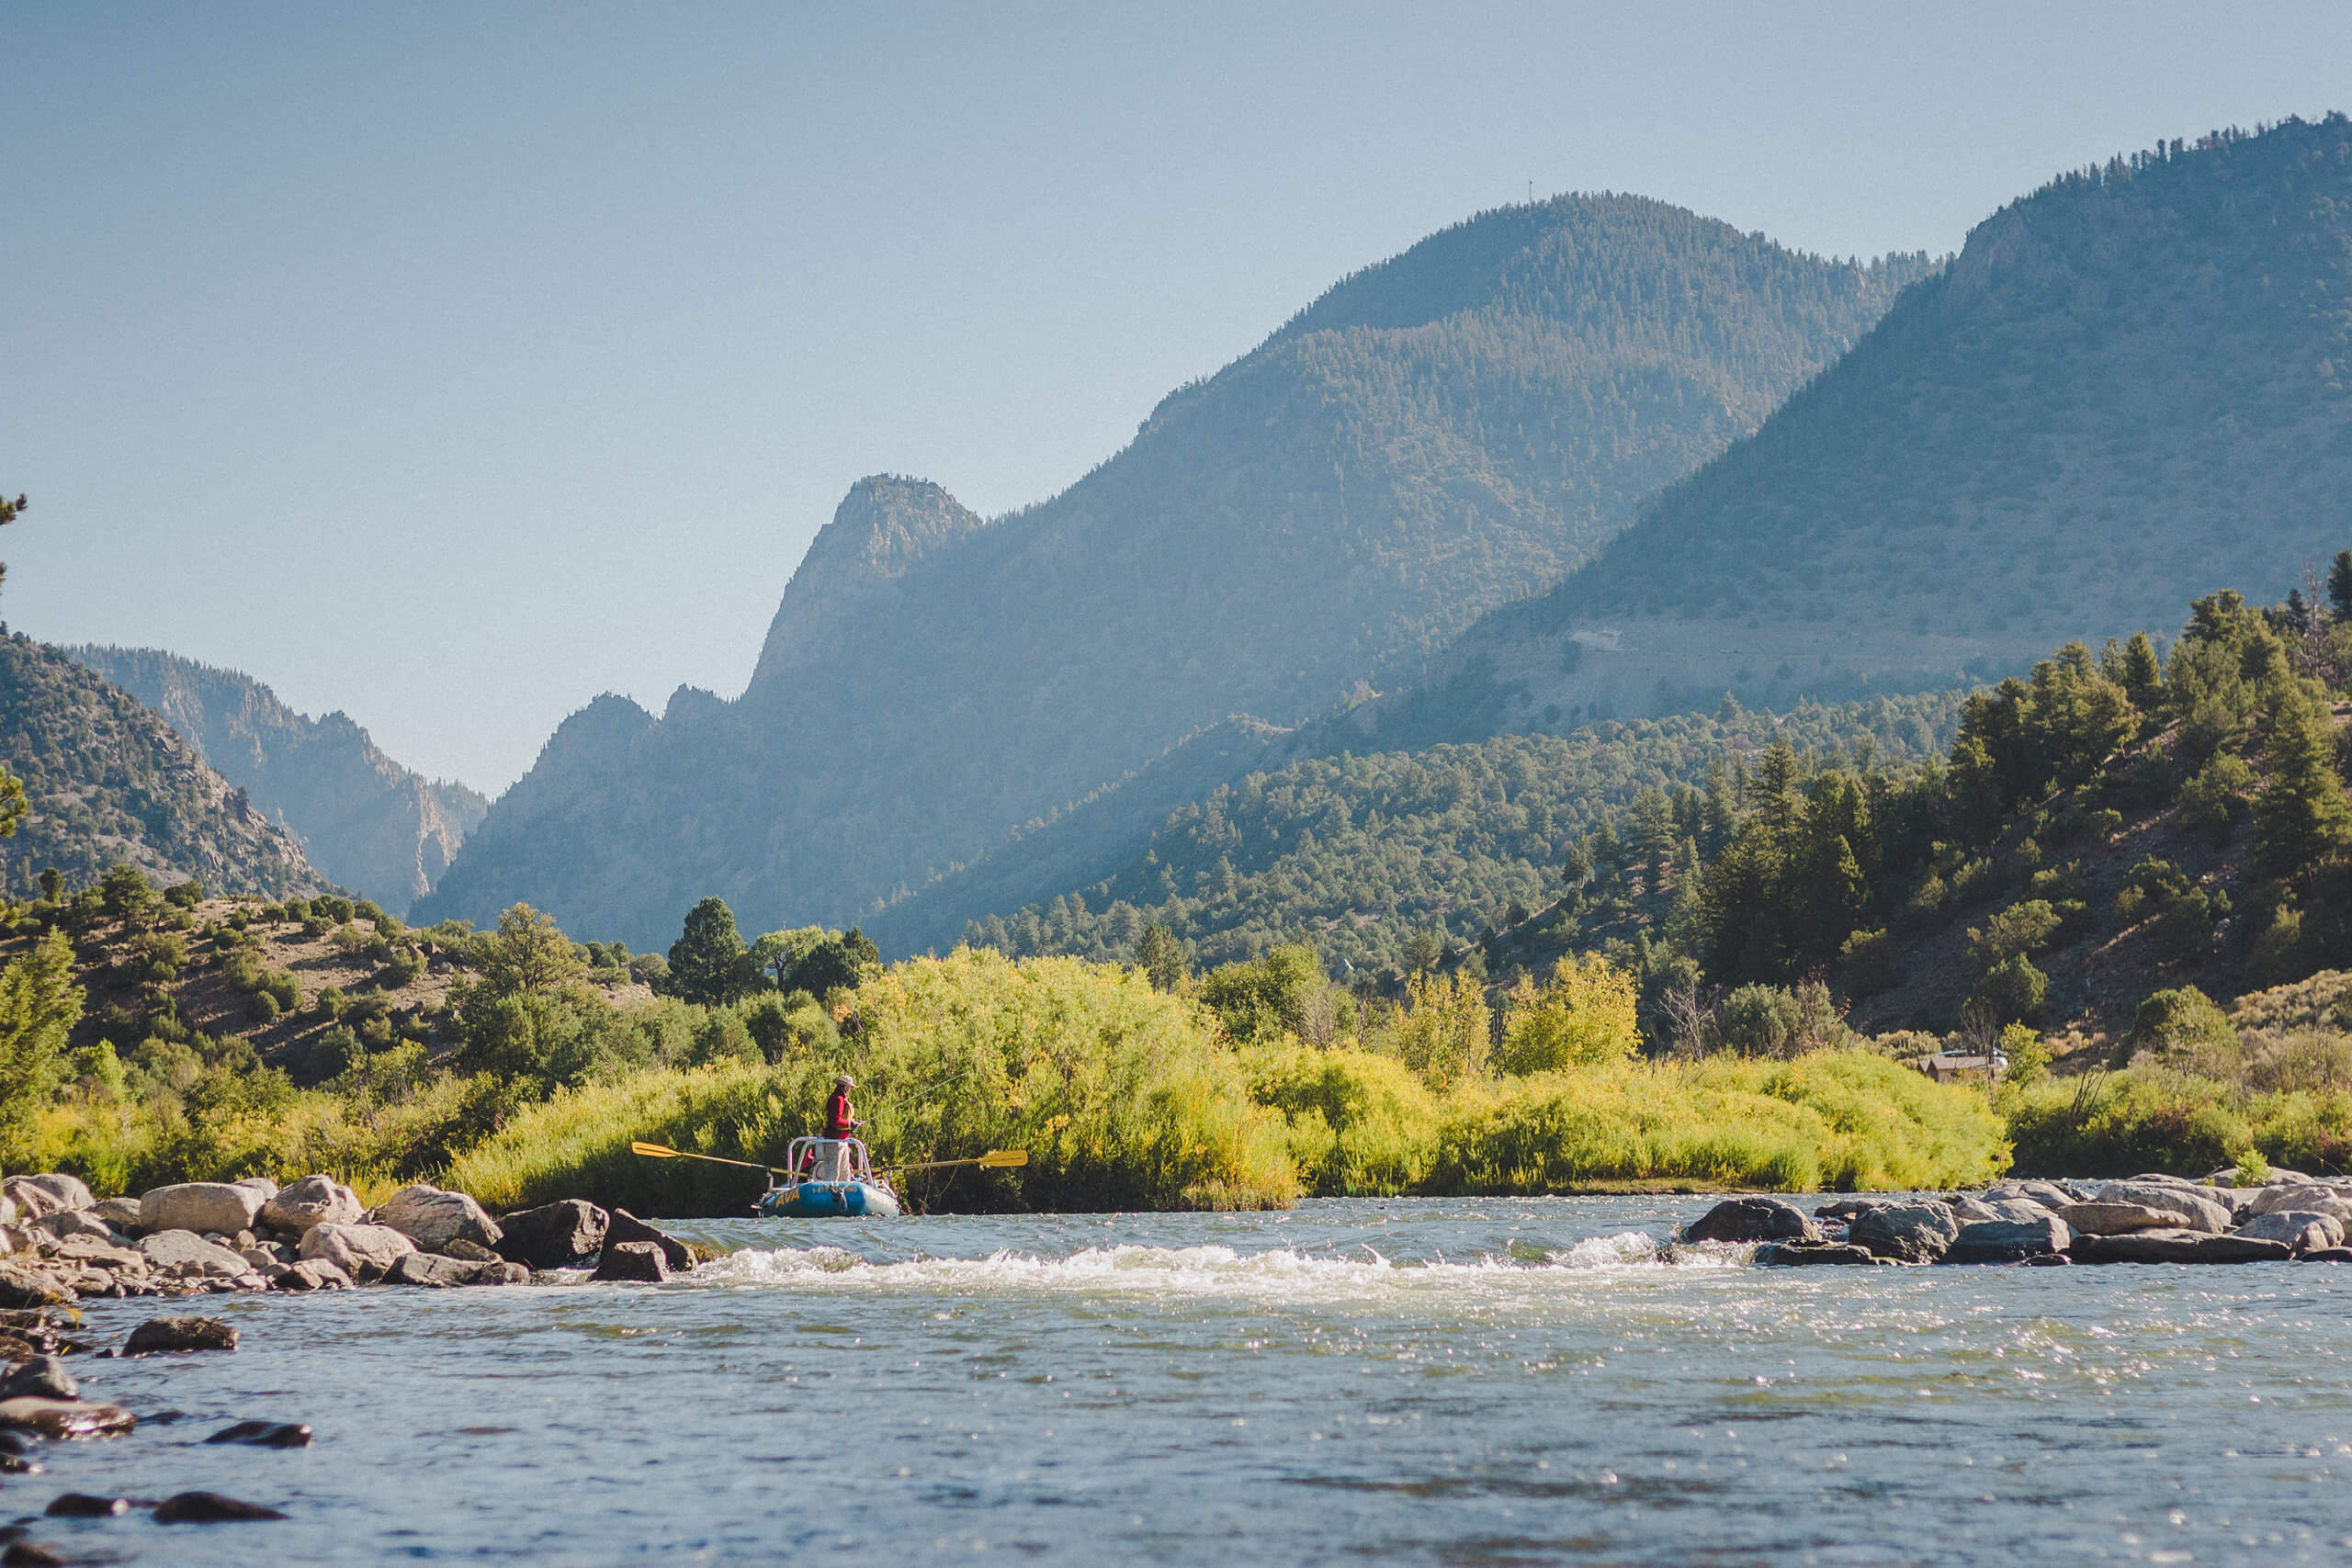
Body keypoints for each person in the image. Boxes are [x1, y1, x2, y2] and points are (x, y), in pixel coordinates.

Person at [801, 1074, 863, 1181]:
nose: (850, 1090)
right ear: (846, 1087)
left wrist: (852, 1124)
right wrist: (850, 1124)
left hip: (842, 1141)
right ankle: (829, 1193)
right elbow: (835, 1121)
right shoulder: (837, 1099)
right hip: (834, 1142)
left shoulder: (839, 1098)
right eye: (850, 1088)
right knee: (832, 1172)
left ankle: (843, 1195)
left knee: (845, 1173)